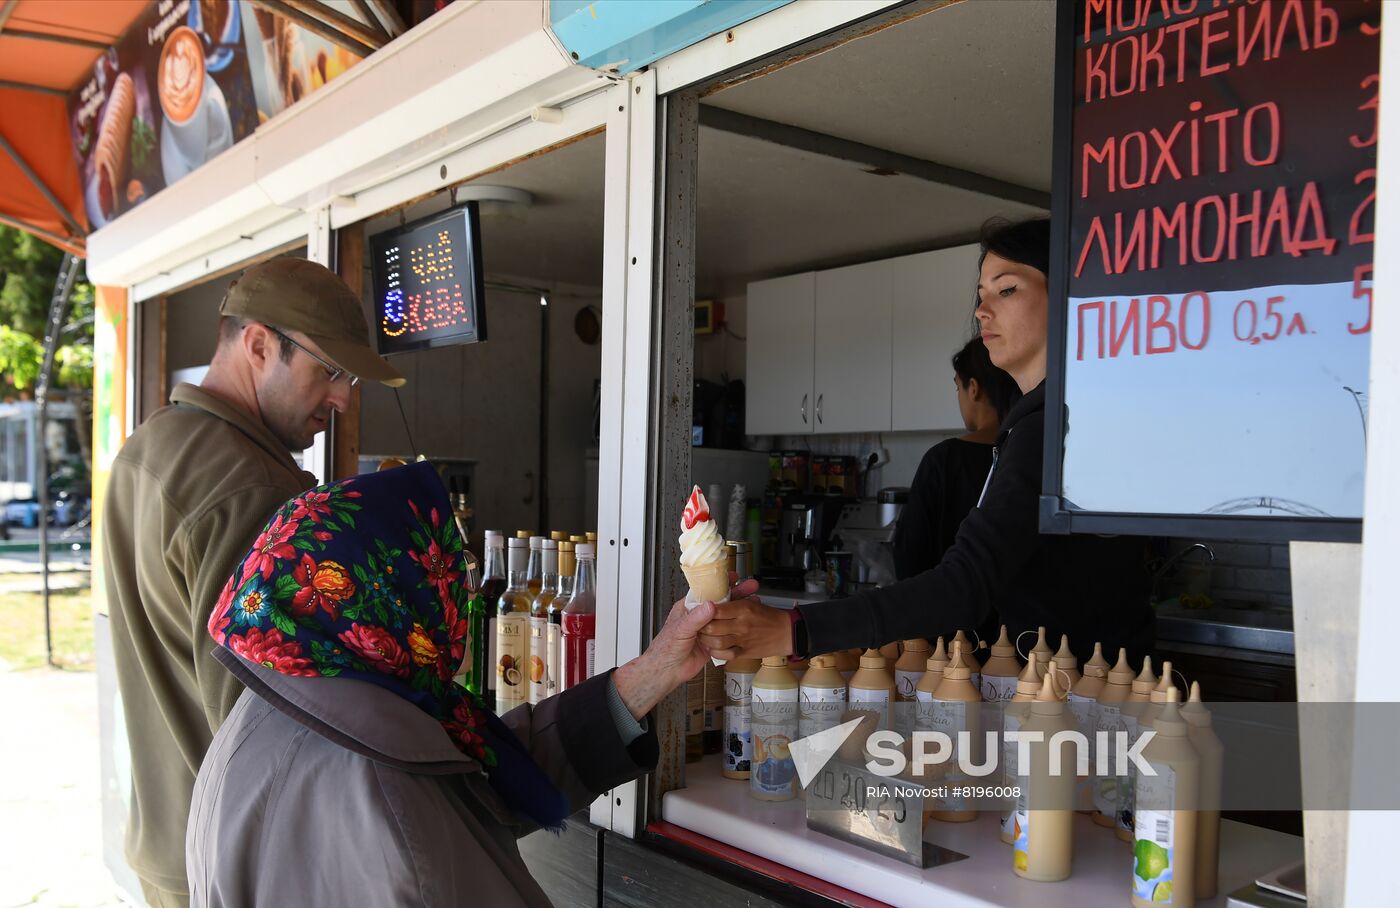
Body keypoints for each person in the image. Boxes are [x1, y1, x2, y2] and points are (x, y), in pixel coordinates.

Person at [187, 462, 747, 906]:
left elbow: (473, 777)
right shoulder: (376, 791)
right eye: (438, 570)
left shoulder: (293, 696)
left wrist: (653, 672)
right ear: (385, 595)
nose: (457, 592)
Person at [699, 218, 1153, 667]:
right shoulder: (1053, 417)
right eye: (981, 297)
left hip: (1089, 696)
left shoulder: (1054, 427)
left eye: (1007, 289)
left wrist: (794, 629)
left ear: (1070, 300)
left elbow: (965, 585)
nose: (982, 311)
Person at [102, 257, 405, 907]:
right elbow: (269, 735)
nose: (344, 399)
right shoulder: (254, 493)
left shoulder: (147, 448)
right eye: (329, 370)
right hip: (238, 867)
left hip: (168, 846)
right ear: (260, 345)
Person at [891, 335, 1021, 581]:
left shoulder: (943, 460)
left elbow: (909, 556)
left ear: (973, 388)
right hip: (1017, 616)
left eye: (957, 387)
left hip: (947, 612)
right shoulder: (1027, 454)